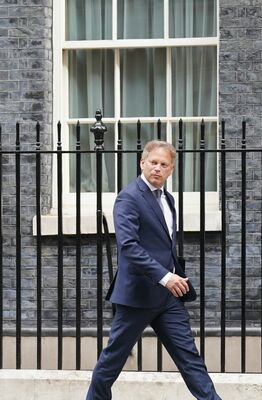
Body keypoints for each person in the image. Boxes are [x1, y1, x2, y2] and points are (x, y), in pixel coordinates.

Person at [87, 140, 220, 399]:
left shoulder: (168, 199)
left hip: (167, 298)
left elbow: (163, 244)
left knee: (190, 358)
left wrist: (171, 276)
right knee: (112, 361)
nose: (157, 168)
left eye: (164, 164)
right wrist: (165, 277)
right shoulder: (129, 198)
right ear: (142, 163)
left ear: (171, 170)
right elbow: (128, 247)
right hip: (137, 296)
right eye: (153, 162)